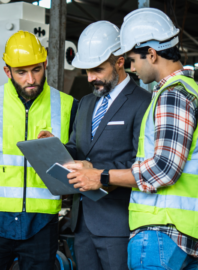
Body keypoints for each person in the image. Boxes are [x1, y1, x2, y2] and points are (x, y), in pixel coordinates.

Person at [65, 8, 198, 270]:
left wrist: (101, 176)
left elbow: (163, 168)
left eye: (133, 59)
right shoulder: (184, 92)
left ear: (152, 54)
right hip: (173, 230)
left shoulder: (170, 96)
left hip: (163, 229)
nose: (132, 66)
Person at [0, 30, 78, 270]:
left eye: (36, 70)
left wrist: (59, 150)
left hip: (42, 226)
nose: (31, 79)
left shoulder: (67, 106)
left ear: (45, 64)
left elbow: (79, 162)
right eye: (21, 72)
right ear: (7, 71)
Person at [39, 21, 151, 270]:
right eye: (86, 71)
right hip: (82, 222)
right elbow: (76, 149)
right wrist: (54, 147)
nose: (90, 78)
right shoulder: (86, 103)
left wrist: (98, 174)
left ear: (120, 62)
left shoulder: (143, 103)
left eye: (97, 70)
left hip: (117, 223)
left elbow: (143, 163)